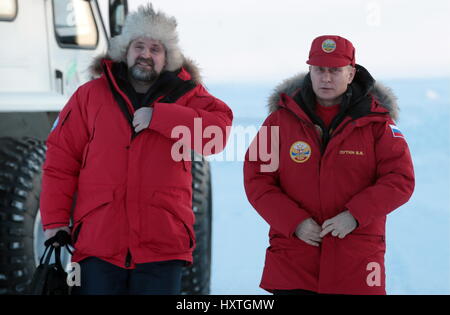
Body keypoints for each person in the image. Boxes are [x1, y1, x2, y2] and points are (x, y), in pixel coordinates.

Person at [40, 4, 233, 295]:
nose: (145, 54)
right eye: (139, 45)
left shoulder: (187, 95)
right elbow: (60, 161)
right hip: (97, 247)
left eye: (155, 48)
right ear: (125, 51)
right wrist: (54, 221)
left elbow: (217, 134)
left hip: (163, 249)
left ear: (167, 58)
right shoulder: (89, 96)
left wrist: (162, 118)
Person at [243, 35, 414, 295]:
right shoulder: (279, 122)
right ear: (309, 71)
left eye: (335, 70)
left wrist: (355, 215)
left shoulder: (377, 123)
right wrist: (294, 222)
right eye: (319, 69)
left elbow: (400, 179)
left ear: (351, 73)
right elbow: (257, 179)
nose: (325, 78)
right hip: (293, 264)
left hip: (356, 265)